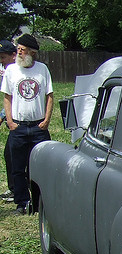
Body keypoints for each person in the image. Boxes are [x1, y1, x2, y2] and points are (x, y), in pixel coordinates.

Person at [0, 34, 53, 215]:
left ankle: (39, 203)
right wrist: (10, 121)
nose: (19, 53)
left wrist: (46, 120)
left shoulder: (42, 69)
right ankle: (22, 203)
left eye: (22, 50)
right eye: (18, 50)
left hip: (39, 127)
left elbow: (49, 96)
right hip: (19, 127)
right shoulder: (11, 71)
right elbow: (7, 97)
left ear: (32, 52)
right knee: (17, 167)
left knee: (39, 167)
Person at [0, 39, 17, 203]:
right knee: (10, 154)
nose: (1, 61)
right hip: (12, 120)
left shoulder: (16, 71)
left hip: (23, 122)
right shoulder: (7, 72)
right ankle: (15, 188)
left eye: (3, 57)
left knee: (13, 154)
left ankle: (18, 189)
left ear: (14, 55)